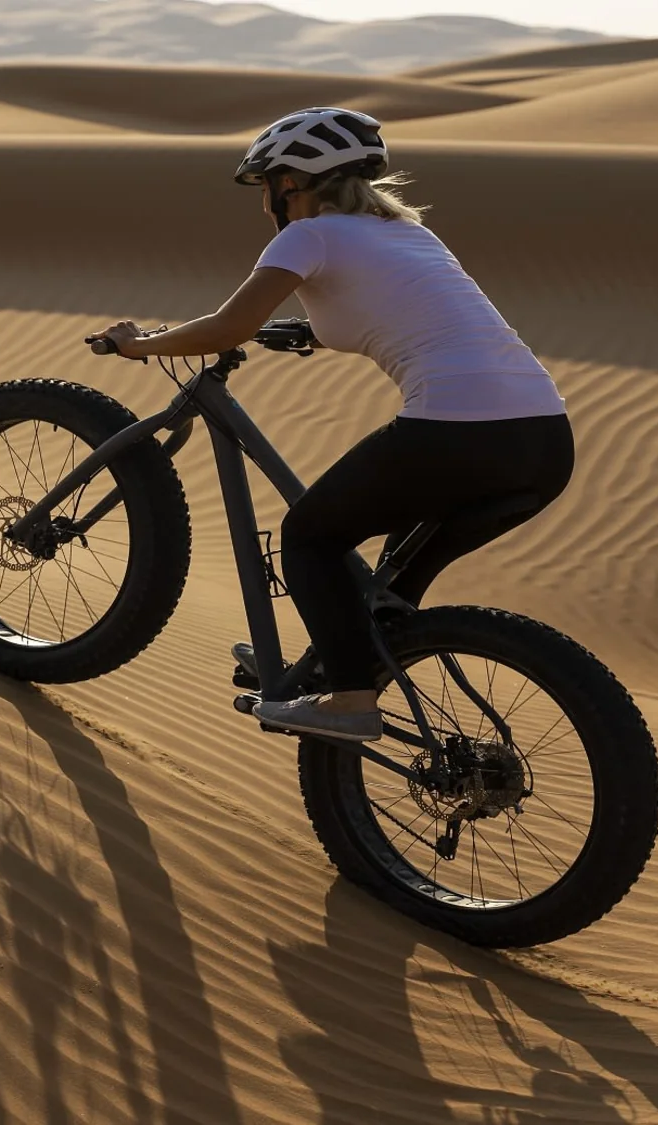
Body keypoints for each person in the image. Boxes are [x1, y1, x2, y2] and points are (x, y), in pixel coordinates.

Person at [89, 107, 573, 742]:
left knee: (312, 535)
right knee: (388, 595)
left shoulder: (306, 237)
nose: (266, 203)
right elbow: (398, 313)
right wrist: (297, 333)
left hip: (457, 432)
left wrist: (140, 345)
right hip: (542, 441)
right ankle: (350, 664)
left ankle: (349, 700)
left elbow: (226, 326)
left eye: (267, 186)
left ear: (291, 184)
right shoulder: (411, 236)